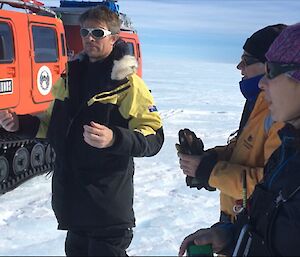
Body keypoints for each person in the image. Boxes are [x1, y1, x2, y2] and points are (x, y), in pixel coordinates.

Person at [0, 6, 164, 256]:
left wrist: (114, 138)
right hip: (74, 206)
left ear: (114, 38)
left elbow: (154, 137)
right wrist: (21, 124)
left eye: (97, 32)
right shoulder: (70, 76)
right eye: (85, 31)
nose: (88, 37)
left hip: (106, 208)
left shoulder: (127, 84)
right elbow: (53, 124)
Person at [178, 22, 300, 257]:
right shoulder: (288, 144)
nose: (263, 82)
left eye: (272, 70)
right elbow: (269, 219)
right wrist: (229, 236)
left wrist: (210, 171)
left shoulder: (280, 121)